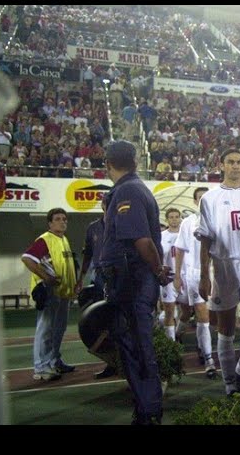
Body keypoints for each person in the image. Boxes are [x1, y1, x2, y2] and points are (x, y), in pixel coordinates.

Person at [99, 140, 171, 425]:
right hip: (131, 279)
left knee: (138, 347)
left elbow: (141, 240)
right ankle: (146, 407)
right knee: (133, 346)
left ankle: (149, 411)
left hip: (131, 279)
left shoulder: (128, 190)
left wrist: (156, 270)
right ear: (136, 161)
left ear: (107, 164)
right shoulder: (128, 189)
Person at [198, 148, 240, 398]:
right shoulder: (210, 198)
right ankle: (230, 384)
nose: (236, 166)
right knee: (225, 331)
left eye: (239, 162)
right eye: (231, 162)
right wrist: (204, 275)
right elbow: (204, 239)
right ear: (222, 165)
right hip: (224, 266)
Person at [22, 208, 77, 381]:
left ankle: (53, 361)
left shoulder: (63, 240)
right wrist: (46, 278)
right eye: (58, 219)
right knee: (45, 330)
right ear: (50, 223)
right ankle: (41, 367)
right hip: (49, 292)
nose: (62, 222)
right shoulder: (45, 240)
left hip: (63, 293)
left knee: (58, 330)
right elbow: (27, 258)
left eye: (64, 219)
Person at [173, 186, 217, 378]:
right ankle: (209, 359)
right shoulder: (188, 223)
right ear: (194, 201)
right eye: (199, 198)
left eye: (205, 198)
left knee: (212, 318)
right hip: (194, 274)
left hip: (217, 273)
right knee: (201, 315)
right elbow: (180, 249)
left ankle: (189, 341)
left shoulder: (218, 219)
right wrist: (177, 276)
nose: (202, 201)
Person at [75, 198, 117, 379]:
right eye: (107, 206)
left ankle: (124, 362)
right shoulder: (92, 228)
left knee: (119, 320)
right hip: (99, 277)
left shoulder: (122, 224)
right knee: (102, 321)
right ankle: (111, 363)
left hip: (118, 276)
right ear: (102, 207)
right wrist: (80, 279)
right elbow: (87, 256)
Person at [160, 208, 182, 341]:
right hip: (169, 277)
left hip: (185, 276)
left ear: (180, 218)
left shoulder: (186, 235)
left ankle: (179, 331)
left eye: (176, 216)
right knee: (169, 311)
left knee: (187, 311)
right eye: (171, 217)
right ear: (167, 220)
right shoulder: (162, 236)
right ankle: (171, 344)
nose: (174, 219)